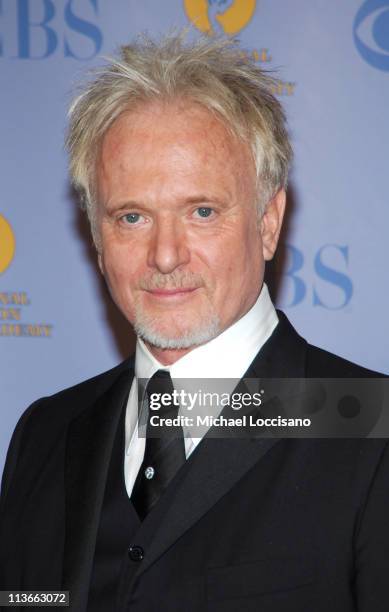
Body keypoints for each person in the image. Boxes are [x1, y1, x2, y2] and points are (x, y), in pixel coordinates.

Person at [0, 32, 388, 612]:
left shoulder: (371, 429)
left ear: (268, 221)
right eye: (131, 217)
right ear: (97, 237)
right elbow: (31, 600)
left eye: (201, 211)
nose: (164, 255)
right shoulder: (46, 433)